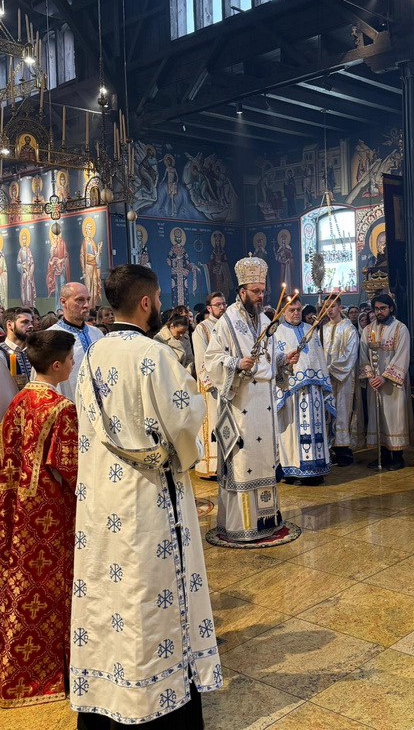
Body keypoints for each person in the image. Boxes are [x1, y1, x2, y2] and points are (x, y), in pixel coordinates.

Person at [71, 264, 221, 727]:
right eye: (157, 299)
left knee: (110, 591)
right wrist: (189, 436)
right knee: (151, 590)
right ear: (145, 302)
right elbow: (184, 418)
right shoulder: (153, 355)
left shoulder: (91, 354)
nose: (159, 306)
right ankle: (156, 695)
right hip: (149, 496)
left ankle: (108, 689)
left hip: (102, 497)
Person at [0, 330, 78, 707]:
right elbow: (71, 468)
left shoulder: (18, 400)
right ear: (57, 365)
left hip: (17, 507)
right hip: (51, 512)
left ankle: (17, 670)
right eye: (72, 359)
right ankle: (51, 673)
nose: (74, 364)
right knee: (53, 589)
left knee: (22, 586)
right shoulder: (61, 408)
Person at [204, 256, 300, 541]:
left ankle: (266, 521)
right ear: (242, 290)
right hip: (241, 404)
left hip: (264, 405)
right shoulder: (227, 322)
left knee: (265, 461)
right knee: (243, 462)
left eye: (262, 291)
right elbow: (212, 360)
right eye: (255, 291)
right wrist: (236, 363)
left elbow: (270, 358)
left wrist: (284, 360)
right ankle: (241, 525)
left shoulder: (266, 321)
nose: (260, 296)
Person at [275, 295, 335, 484]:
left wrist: (323, 383)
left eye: (299, 310)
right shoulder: (277, 333)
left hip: (314, 392)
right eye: (292, 310)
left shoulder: (311, 330)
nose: (296, 313)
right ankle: (293, 470)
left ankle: (316, 469)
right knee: (292, 432)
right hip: (291, 393)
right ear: (283, 312)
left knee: (316, 430)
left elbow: (319, 360)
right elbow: (273, 361)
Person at [359, 294, 412, 470]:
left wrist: (384, 377)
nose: (379, 312)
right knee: (377, 417)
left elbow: (402, 355)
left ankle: (397, 457)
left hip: (393, 384)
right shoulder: (368, 330)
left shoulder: (400, 329)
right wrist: (370, 376)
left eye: (383, 308)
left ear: (391, 308)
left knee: (395, 419)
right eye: (376, 309)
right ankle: (382, 455)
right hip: (374, 384)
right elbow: (363, 356)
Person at [322, 296, 362, 466]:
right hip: (325, 379)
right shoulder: (322, 329)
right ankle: (331, 449)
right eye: (326, 306)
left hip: (343, 378)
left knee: (343, 411)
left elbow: (350, 354)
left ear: (340, 308)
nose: (329, 310)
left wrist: (330, 369)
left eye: (332, 306)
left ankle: (344, 451)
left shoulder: (349, 329)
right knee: (328, 413)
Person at [192, 291, 227, 478]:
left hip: (228, 381)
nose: (222, 307)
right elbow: (201, 357)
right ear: (209, 308)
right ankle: (211, 465)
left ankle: (227, 463)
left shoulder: (229, 325)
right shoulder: (202, 328)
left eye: (223, 304)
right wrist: (209, 382)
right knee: (212, 422)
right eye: (218, 305)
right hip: (212, 385)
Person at [52, 283, 104, 402]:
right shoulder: (51, 338)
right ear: (63, 302)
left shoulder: (97, 334)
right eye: (80, 300)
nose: (86, 305)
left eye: (88, 300)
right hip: (68, 406)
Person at [0, 306, 34, 383]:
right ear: (9, 325)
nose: (31, 326)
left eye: (31, 322)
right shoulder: (1, 353)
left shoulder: (36, 350)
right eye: (25, 322)